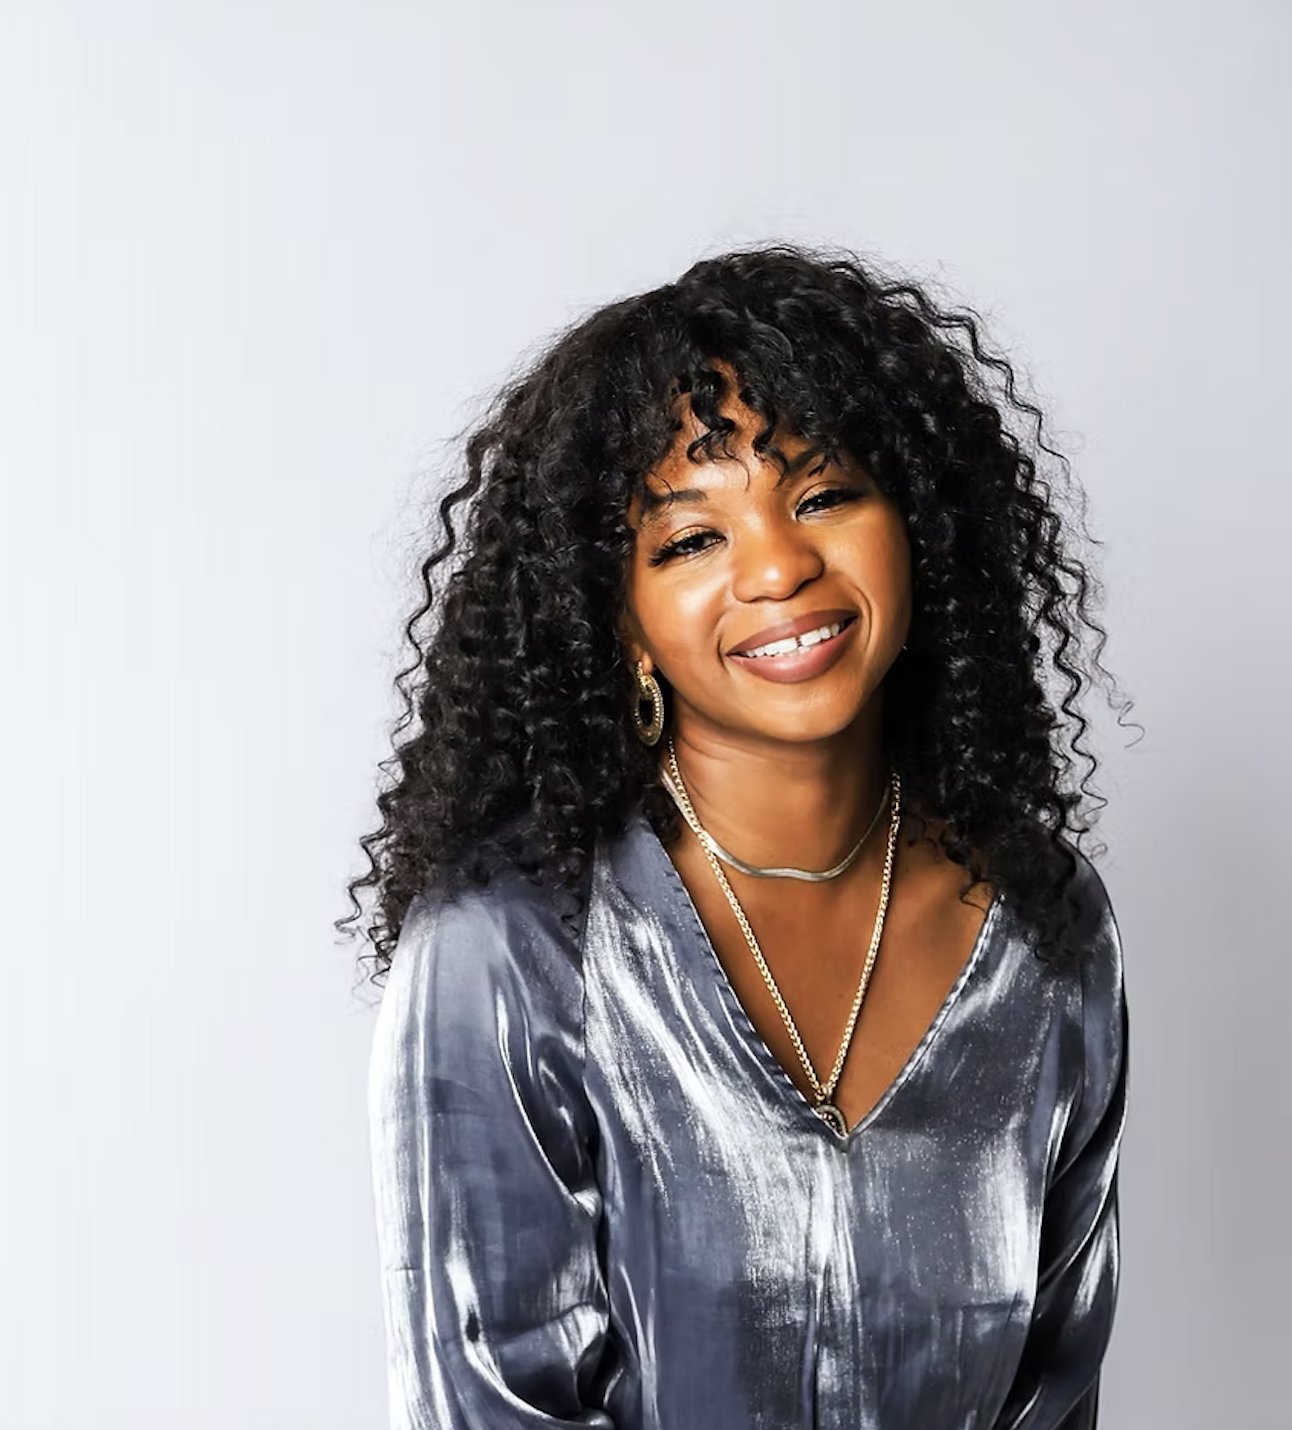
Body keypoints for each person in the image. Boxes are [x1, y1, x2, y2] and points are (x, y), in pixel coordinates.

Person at [340, 243, 1131, 1429]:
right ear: (616, 617)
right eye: (688, 540)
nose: (776, 566)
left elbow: (1056, 1392)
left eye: (821, 496)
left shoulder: (1041, 927)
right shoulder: (510, 948)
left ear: (917, 523)